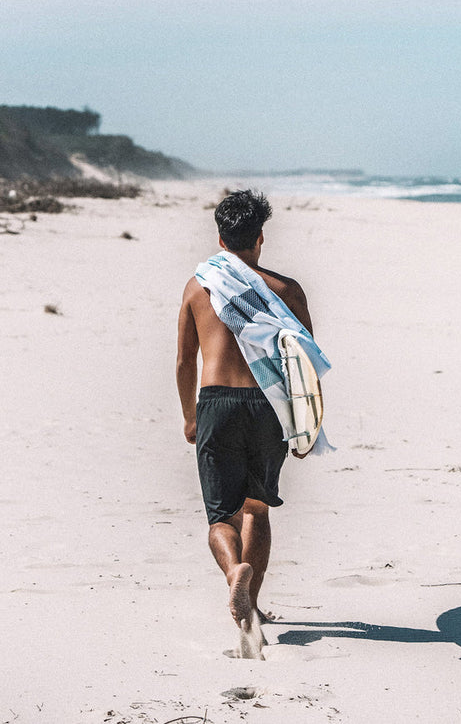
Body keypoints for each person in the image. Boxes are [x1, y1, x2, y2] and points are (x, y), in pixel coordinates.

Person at [176, 190, 314, 631]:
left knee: (221, 517)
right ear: (260, 238)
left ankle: (234, 570)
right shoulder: (286, 291)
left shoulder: (198, 286)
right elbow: (303, 365)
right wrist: (304, 426)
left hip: (216, 401)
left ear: (220, 240)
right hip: (267, 404)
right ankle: (250, 606)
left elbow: (184, 361)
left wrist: (190, 417)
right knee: (256, 508)